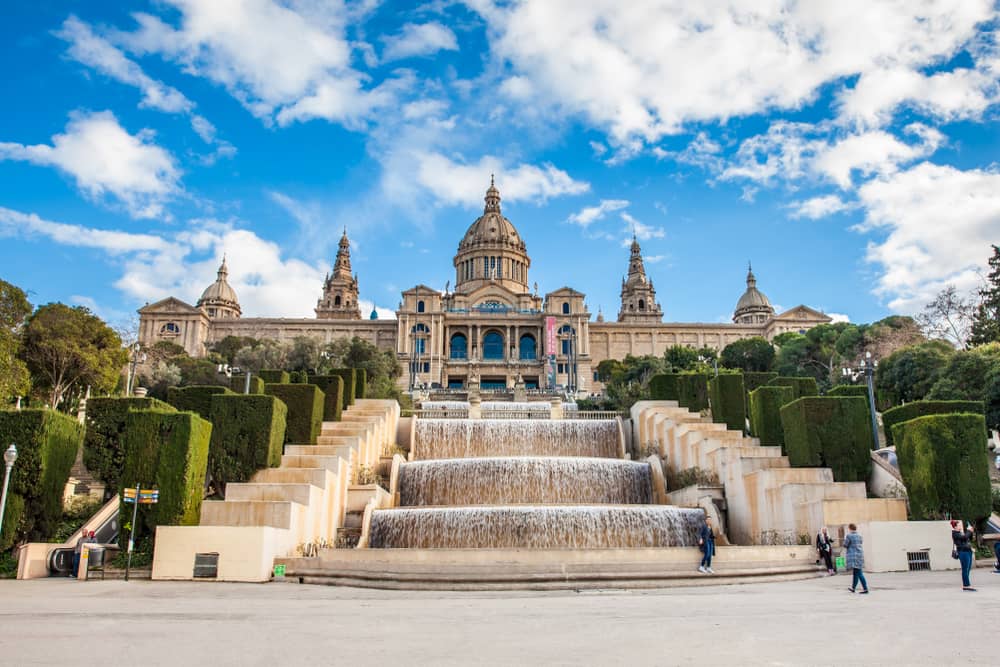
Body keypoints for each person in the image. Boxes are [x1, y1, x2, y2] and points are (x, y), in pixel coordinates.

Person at [843, 523, 869, 594]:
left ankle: (865, 588)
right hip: (859, 555)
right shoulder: (859, 536)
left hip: (853, 556)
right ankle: (853, 588)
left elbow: (845, 545)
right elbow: (860, 543)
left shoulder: (849, 536)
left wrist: (845, 540)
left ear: (850, 528)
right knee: (856, 572)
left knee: (859, 573)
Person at [951, 519, 976, 591]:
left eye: (961, 525)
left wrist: (971, 531)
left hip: (968, 551)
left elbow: (968, 539)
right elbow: (964, 537)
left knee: (968, 569)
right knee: (965, 569)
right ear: (955, 527)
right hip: (963, 552)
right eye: (959, 525)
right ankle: (967, 585)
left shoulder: (960, 532)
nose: (961, 526)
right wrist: (968, 531)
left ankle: (966, 584)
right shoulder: (955, 533)